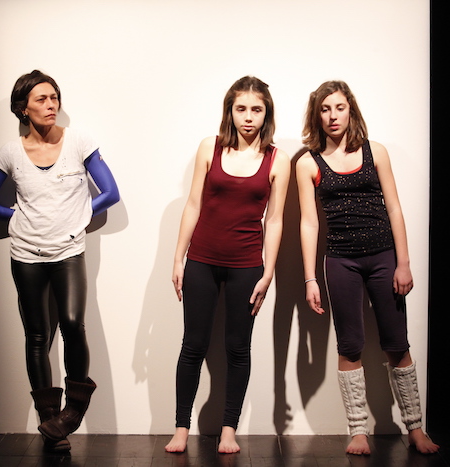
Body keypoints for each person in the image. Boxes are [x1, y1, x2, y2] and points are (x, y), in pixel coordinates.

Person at [0, 70, 120, 452]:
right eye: (41, 99)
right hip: (26, 254)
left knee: (73, 324)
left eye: (54, 97)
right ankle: (50, 424)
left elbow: (111, 192)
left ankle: (73, 412)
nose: (51, 104)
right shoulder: (10, 153)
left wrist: (79, 216)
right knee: (38, 336)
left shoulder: (79, 141)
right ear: (23, 108)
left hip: (68, 251)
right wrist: (14, 218)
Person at [296, 80, 439, 455]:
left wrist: (403, 262)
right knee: (350, 345)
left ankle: (415, 428)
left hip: (383, 257)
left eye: (339, 107)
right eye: (325, 109)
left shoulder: (376, 152)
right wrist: (310, 278)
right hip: (340, 260)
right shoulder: (308, 163)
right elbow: (309, 223)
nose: (333, 115)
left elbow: (394, 208)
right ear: (317, 115)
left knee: (397, 342)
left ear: (351, 110)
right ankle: (358, 430)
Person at [165, 76, 290, 454]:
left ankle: (228, 431)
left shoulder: (277, 159)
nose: (248, 117)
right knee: (193, 345)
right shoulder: (211, 147)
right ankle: (181, 428)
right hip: (202, 260)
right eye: (241, 109)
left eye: (256, 109)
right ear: (230, 111)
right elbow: (193, 205)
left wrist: (268, 271)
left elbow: (275, 220)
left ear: (266, 113)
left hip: (246, 266)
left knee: (238, 348)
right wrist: (178, 257)